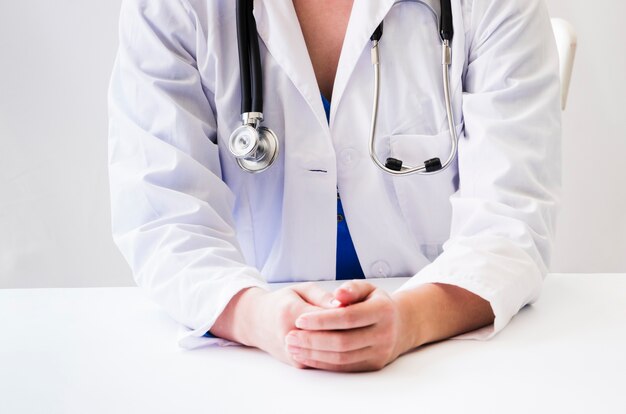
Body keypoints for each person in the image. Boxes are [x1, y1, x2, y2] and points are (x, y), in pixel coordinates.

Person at [108, 0, 560, 372]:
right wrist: (258, 317)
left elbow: (511, 217)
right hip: (248, 362)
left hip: (447, 354)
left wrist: (410, 320)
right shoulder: (169, 8)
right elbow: (163, 216)